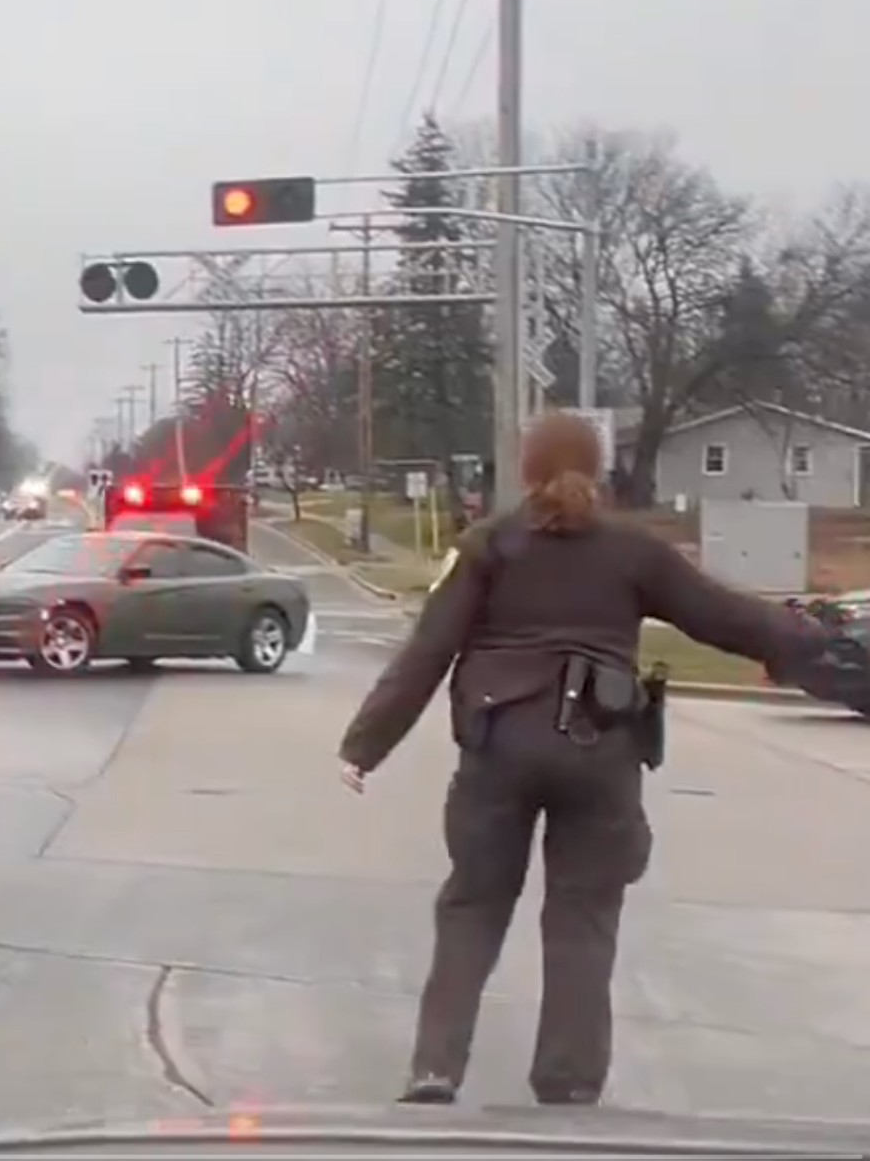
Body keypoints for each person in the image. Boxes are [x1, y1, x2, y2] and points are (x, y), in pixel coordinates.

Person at [336, 412, 829, 1108]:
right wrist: (800, 641)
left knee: (472, 908)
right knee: (582, 920)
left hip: (498, 748)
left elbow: (428, 650)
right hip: (600, 752)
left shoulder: (487, 546)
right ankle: (568, 1087)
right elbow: (720, 615)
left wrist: (366, 745)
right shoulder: (634, 551)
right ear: (598, 468)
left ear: (527, 467)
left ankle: (436, 1070)